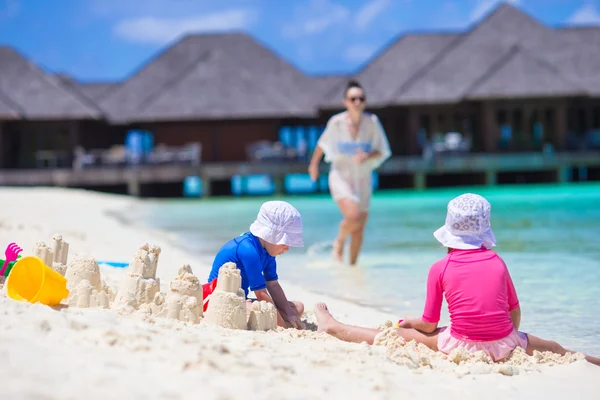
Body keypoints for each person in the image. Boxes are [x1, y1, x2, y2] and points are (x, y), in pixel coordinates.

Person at [313, 193, 600, 366]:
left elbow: (428, 324)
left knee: (395, 335)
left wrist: (411, 322)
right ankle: (593, 361)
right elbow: (514, 313)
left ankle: (335, 327)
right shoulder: (498, 263)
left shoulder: (441, 267)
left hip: (461, 344)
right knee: (554, 347)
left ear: (449, 230)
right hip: (505, 344)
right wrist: (504, 340)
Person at [308, 80, 391, 266]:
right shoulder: (336, 123)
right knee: (353, 217)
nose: (357, 102)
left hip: (363, 178)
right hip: (341, 177)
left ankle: (352, 270)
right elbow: (322, 144)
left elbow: (383, 150)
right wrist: (313, 166)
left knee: (359, 229)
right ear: (346, 102)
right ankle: (339, 240)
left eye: (361, 98)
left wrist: (367, 155)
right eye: (353, 98)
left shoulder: (372, 122)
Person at [203, 200, 305, 330]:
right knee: (259, 312)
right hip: (217, 300)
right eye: (285, 241)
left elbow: (273, 285)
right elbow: (261, 294)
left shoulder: (268, 251)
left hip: (242, 300)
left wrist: (290, 315)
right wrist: (283, 327)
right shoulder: (248, 250)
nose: (287, 247)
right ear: (271, 235)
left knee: (298, 307)